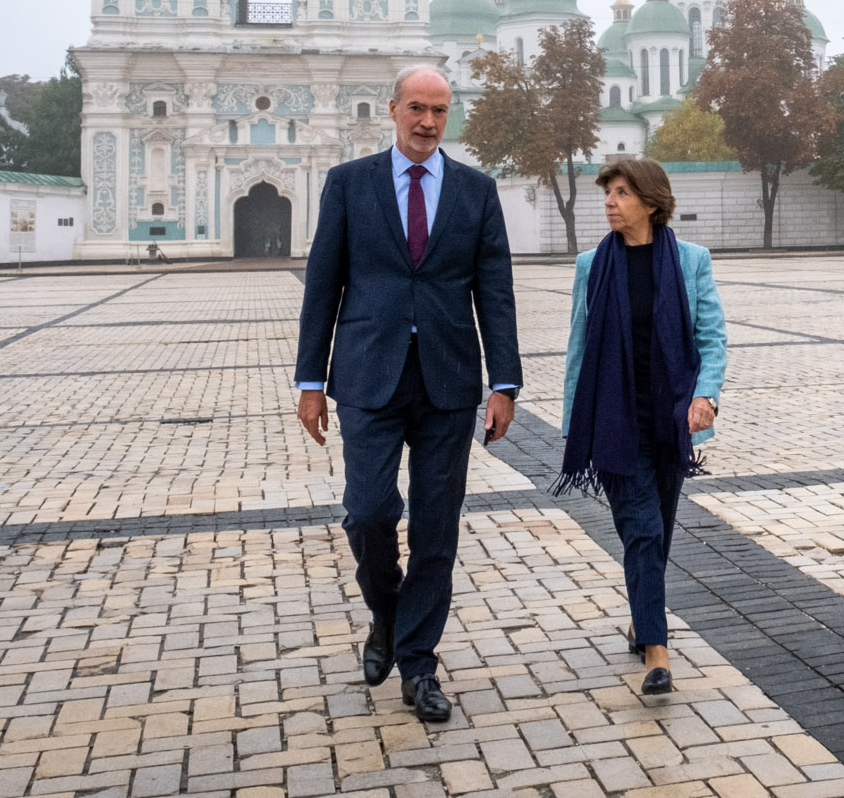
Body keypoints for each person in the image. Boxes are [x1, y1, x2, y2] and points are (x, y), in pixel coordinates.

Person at [295, 65, 520, 724]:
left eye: (439, 110)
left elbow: (495, 291)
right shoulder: (349, 183)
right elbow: (323, 284)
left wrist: (504, 382)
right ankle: (388, 615)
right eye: (417, 107)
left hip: (448, 379)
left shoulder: (476, 190)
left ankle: (419, 664)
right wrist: (311, 381)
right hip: (368, 375)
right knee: (367, 512)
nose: (427, 121)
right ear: (392, 108)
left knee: (435, 527)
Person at [559, 159, 727, 698]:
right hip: (614, 420)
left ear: (651, 203)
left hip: (671, 420)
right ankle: (657, 652)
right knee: (644, 530)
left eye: (621, 192)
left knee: (659, 532)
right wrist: (574, 423)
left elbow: (711, 338)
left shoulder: (691, 260)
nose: (609, 201)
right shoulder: (592, 265)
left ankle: (640, 616)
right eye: (608, 192)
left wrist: (705, 395)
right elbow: (579, 347)